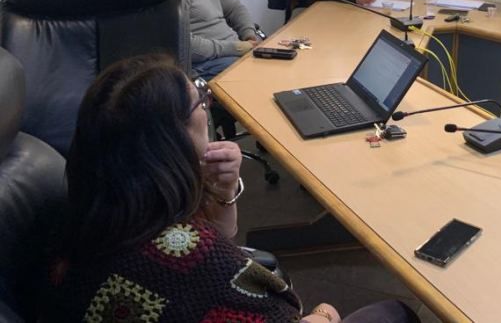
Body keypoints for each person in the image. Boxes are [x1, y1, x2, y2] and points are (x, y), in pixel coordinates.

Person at [43, 55, 419, 323]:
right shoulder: (196, 260)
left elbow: (217, 242)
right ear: (173, 140)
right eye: (200, 101)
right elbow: (284, 310)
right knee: (395, 313)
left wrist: (222, 191)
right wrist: (325, 314)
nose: (206, 107)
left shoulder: (92, 210)